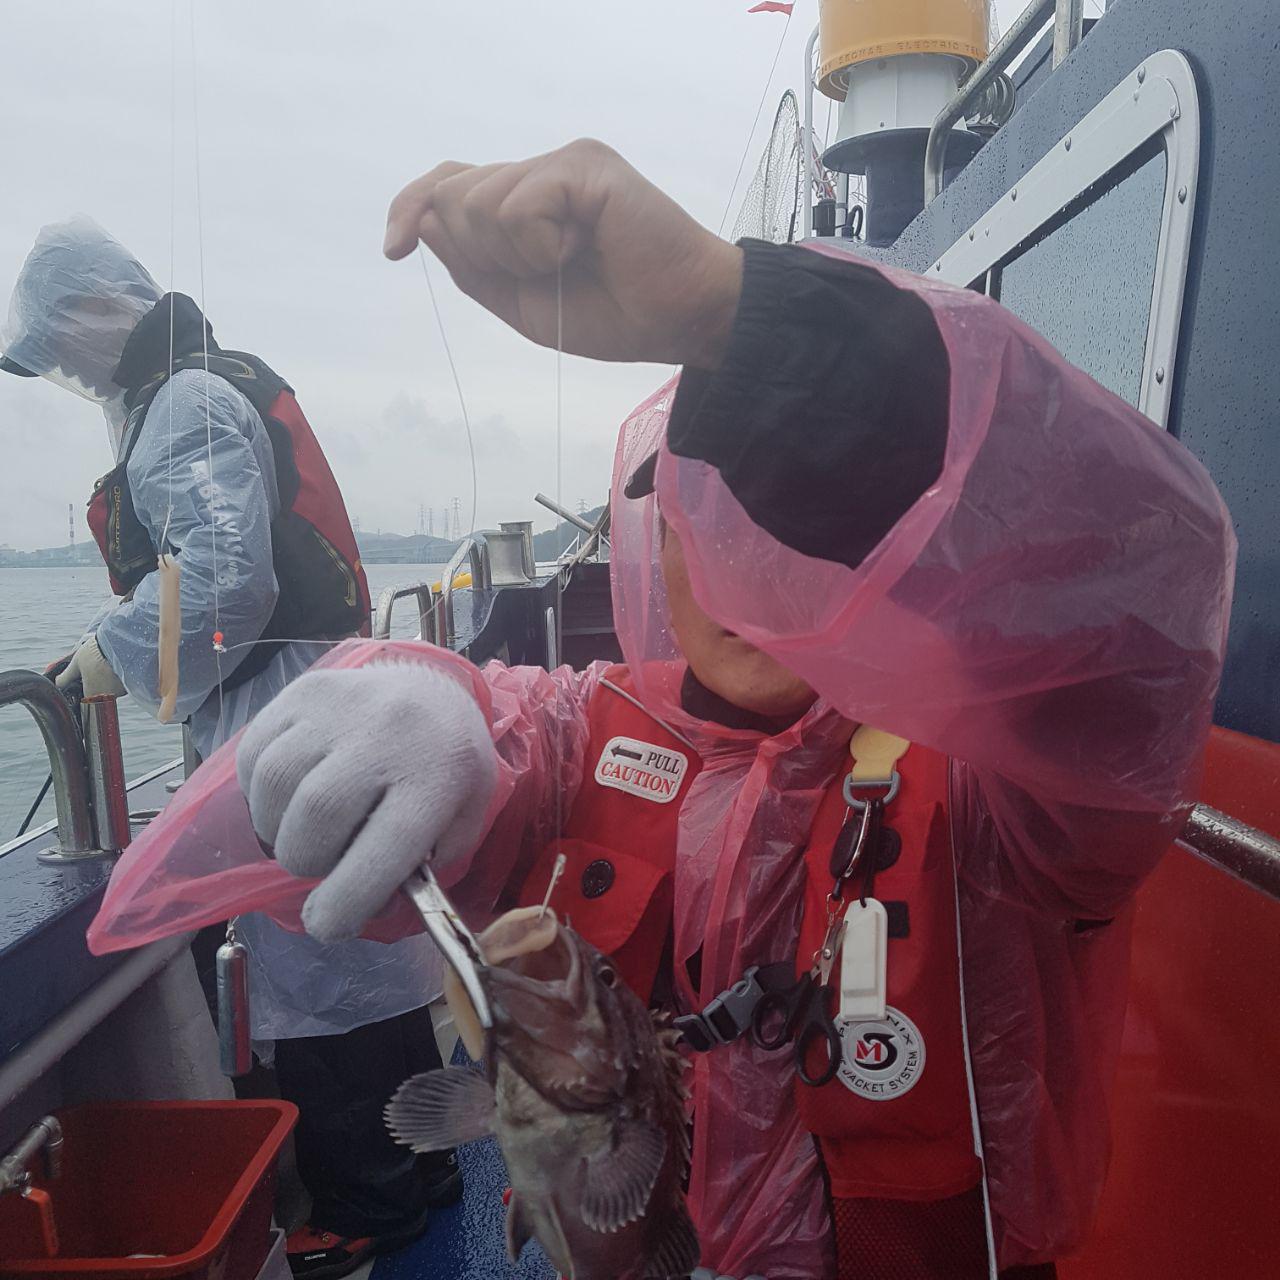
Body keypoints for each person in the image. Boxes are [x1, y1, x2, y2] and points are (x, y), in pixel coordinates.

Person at [233, 142, 1235, 1279]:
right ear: (651, 546)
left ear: (890, 548)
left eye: (792, 526)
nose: (739, 571)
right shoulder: (579, 731)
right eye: (694, 522)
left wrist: (737, 319)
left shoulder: (1006, 790)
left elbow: (1133, 604)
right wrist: (416, 701)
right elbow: (503, 734)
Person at [0, 219, 461, 1279]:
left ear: (97, 312)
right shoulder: (210, 384)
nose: (67, 367)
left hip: (280, 713)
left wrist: (115, 652)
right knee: (365, 946)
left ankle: (367, 1210)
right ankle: (423, 1168)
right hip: (313, 698)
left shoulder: (184, 403)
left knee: (311, 962)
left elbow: (225, 578)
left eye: (64, 342)